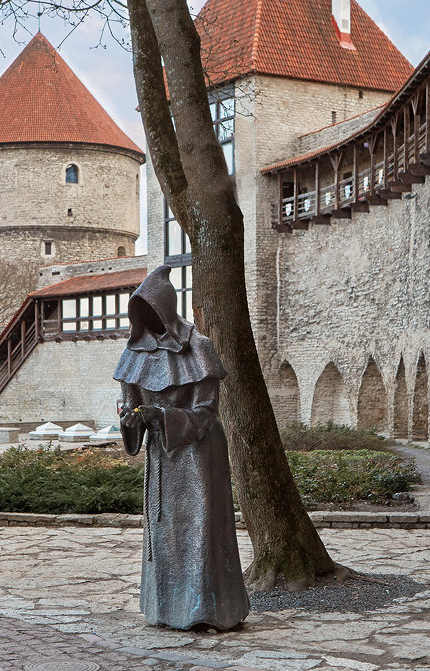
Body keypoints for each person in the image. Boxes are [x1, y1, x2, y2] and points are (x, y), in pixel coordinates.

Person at [114, 265, 250, 631]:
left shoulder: (199, 348)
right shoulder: (134, 354)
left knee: (200, 530)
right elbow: (128, 405)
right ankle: (165, 608)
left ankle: (207, 610)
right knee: (164, 531)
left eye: (152, 309)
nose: (148, 318)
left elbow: (206, 414)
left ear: (166, 308)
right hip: (162, 455)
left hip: (198, 455)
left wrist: (161, 416)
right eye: (141, 311)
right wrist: (131, 419)